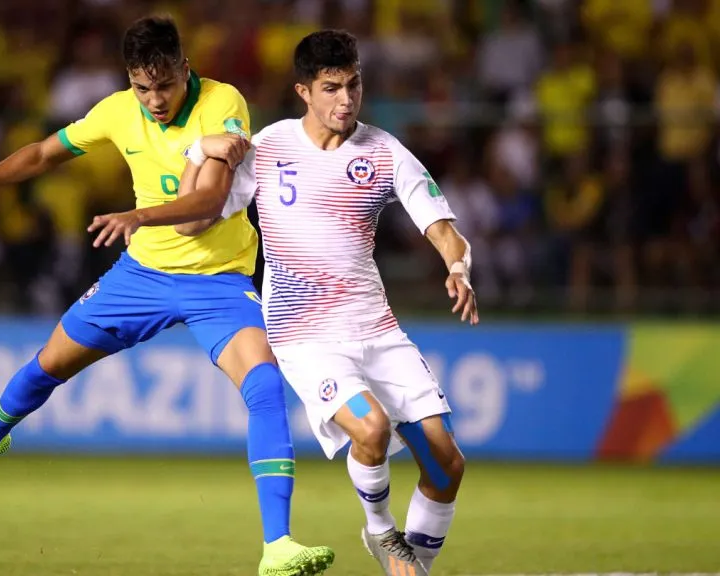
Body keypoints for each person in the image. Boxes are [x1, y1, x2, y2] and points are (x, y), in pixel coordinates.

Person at [0, 15, 334, 576]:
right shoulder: (115, 110)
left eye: (165, 85)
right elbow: (43, 154)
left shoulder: (222, 103)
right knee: (48, 365)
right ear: (129, 79)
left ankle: (277, 545)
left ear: (184, 68)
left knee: (264, 385)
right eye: (142, 88)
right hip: (141, 277)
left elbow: (208, 203)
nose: (154, 100)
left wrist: (139, 214)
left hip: (219, 280)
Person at [88, 30, 476, 576]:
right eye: (332, 88)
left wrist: (457, 268)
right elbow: (197, 218)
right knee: (370, 428)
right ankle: (381, 530)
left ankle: (415, 567)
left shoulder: (385, 152)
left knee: (446, 464)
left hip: (377, 328)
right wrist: (198, 151)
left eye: (354, 85)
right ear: (304, 92)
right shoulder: (269, 147)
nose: (346, 99)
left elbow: (444, 230)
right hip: (304, 334)